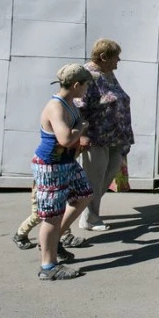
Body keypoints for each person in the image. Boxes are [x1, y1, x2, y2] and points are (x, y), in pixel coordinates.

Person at [33, 64, 94, 280]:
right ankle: (48, 267)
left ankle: (54, 240)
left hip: (66, 162)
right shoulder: (55, 106)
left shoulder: (71, 104)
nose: (87, 89)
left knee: (84, 195)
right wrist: (81, 129)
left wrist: (79, 131)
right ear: (76, 85)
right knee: (52, 215)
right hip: (51, 165)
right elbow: (66, 138)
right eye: (86, 85)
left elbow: (73, 132)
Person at [75, 38, 134, 232]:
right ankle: (89, 218)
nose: (118, 61)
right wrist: (82, 135)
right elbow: (79, 107)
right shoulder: (88, 75)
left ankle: (87, 212)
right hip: (96, 137)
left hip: (115, 136)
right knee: (94, 178)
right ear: (103, 57)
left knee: (107, 176)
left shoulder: (107, 73)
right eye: (116, 57)